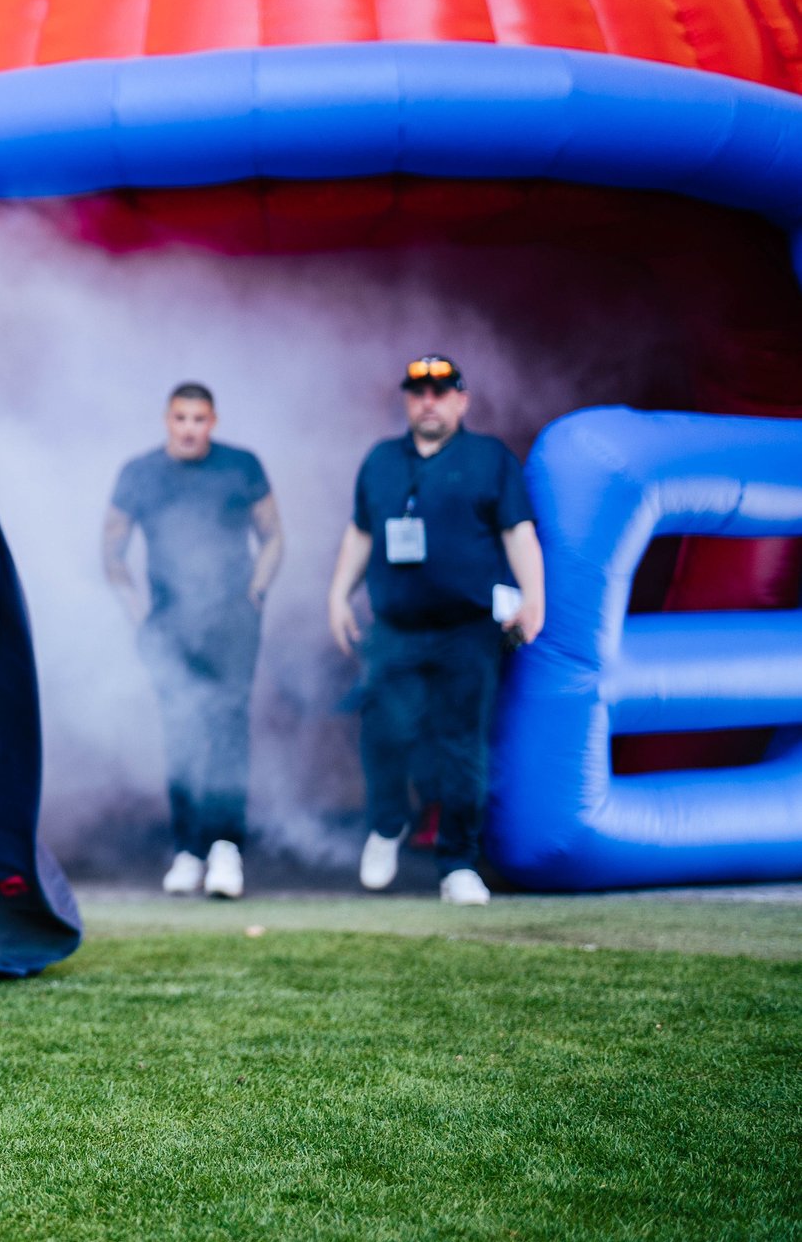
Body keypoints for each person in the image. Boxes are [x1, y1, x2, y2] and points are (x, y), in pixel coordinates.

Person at [325, 355, 546, 906]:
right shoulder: (380, 460)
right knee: (383, 734)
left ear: (461, 400)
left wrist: (535, 600)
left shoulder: (489, 458)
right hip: (395, 627)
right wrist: (337, 595)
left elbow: (518, 532)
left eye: (441, 390)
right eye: (420, 390)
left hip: (466, 628)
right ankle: (387, 823)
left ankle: (457, 864)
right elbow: (360, 533)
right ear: (406, 399)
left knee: (461, 745)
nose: (429, 400)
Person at [103, 383, 283, 899]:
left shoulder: (241, 466)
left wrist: (257, 590)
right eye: (180, 418)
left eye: (199, 419)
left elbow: (273, 535)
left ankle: (226, 849)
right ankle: (188, 850)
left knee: (227, 727)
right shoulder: (139, 473)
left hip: (230, 622)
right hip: (168, 623)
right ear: (166, 419)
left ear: (213, 421)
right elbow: (111, 550)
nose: (189, 428)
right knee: (180, 733)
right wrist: (138, 614)